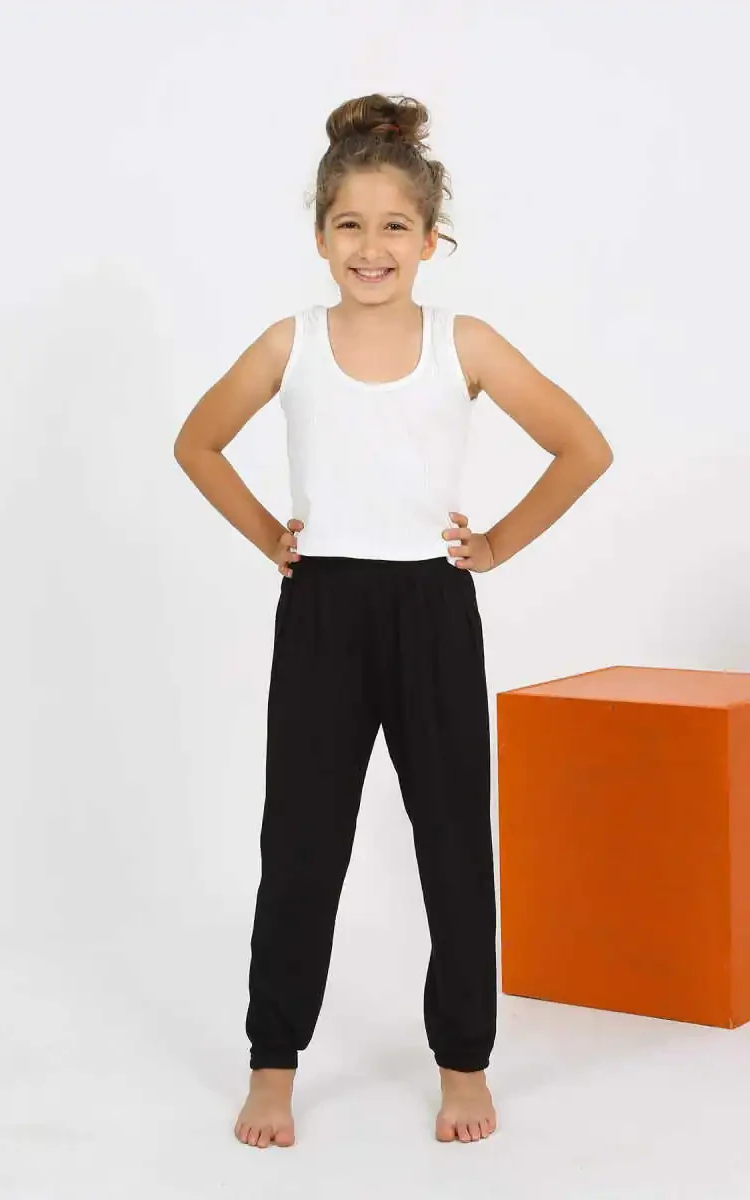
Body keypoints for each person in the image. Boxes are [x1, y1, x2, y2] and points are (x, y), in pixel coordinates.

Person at [173, 92, 614, 1150]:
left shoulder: (464, 342)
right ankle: (272, 1066)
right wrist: (269, 537)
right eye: (349, 225)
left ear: (428, 238)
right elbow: (197, 442)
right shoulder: (290, 343)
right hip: (322, 609)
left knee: (453, 844)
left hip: (430, 607)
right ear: (320, 235)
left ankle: (463, 1065)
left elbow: (582, 448)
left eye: (393, 227)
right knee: (301, 847)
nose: (370, 247)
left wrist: (494, 545)